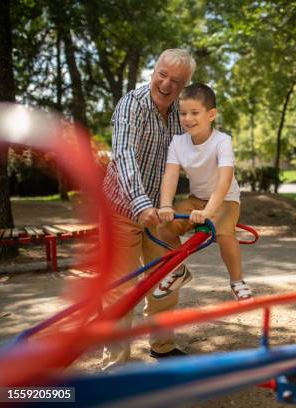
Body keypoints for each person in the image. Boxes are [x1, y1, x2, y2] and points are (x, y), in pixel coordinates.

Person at [101, 48, 196, 370]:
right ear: (153, 71)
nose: (167, 84)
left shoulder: (184, 114)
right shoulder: (132, 105)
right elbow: (124, 156)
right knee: (120, 289)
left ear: (185, 86)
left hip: (160, 212)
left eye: (176, 81)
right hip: (121, 209)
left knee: (166, 278)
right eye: (162, 74)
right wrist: (140, 204)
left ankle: (163, 346)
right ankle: (116, 365)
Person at [155, 83, 252, 302]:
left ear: (211, 115)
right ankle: (178, 271)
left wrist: (209, 211)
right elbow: (170, 175)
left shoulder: (222, 141)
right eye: (183, 113)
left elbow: (225, 180)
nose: (187, 118)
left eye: (194, 113)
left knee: (224, 232)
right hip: (196, 200)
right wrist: (166, 205)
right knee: (164, 228)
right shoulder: (178, 142)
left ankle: (237, 281)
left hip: (225, 200)